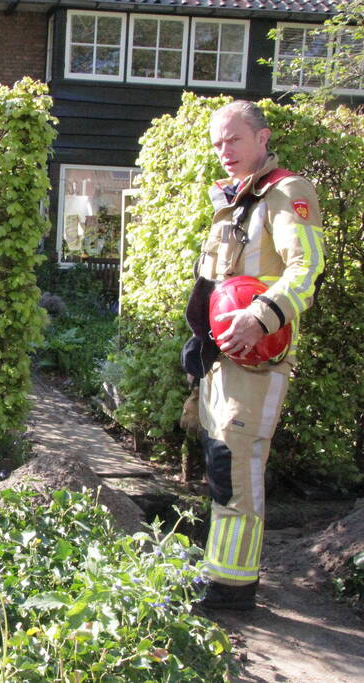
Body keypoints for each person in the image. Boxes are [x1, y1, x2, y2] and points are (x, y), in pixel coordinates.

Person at [191, 100, 324, 610]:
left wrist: (262, 316)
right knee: (220, 463)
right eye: (218, 142)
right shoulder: (231, 200)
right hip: (221, 362)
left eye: (234, 140)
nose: (224, 151)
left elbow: (305, 269)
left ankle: (233, 589)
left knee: (239, 467)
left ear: (262, 139)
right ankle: (218, 574)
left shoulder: (286, 193)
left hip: (256, 362)